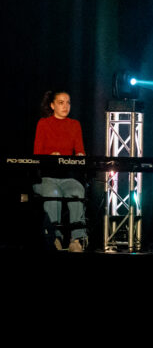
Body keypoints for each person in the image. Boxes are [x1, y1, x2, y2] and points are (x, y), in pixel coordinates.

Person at [33, 90, 88, 252]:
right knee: (53, 192)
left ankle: (77, 238)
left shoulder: (74, 124)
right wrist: (50, 156)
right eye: (61, 102)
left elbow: (80, 150)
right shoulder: (43, 123)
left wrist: (80, 155)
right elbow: (36, 154)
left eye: (68, 102)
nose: (65, 106)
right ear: (52, 105)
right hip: (46, 178)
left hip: (66, 178)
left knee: (77, 189)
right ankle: (54, 237)